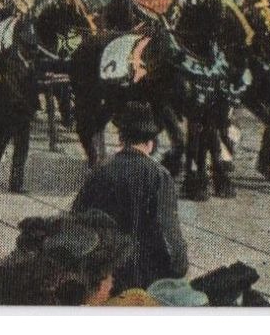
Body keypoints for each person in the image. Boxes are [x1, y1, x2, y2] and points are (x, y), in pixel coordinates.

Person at [70, 105, 189, 293]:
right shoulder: (159, 176)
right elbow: (169, 237)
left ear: (121, 139)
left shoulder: (101, 171)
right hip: (143, 280)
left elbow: (75, 221)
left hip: (104, 277)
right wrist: (178, 268)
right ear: (151, 143)